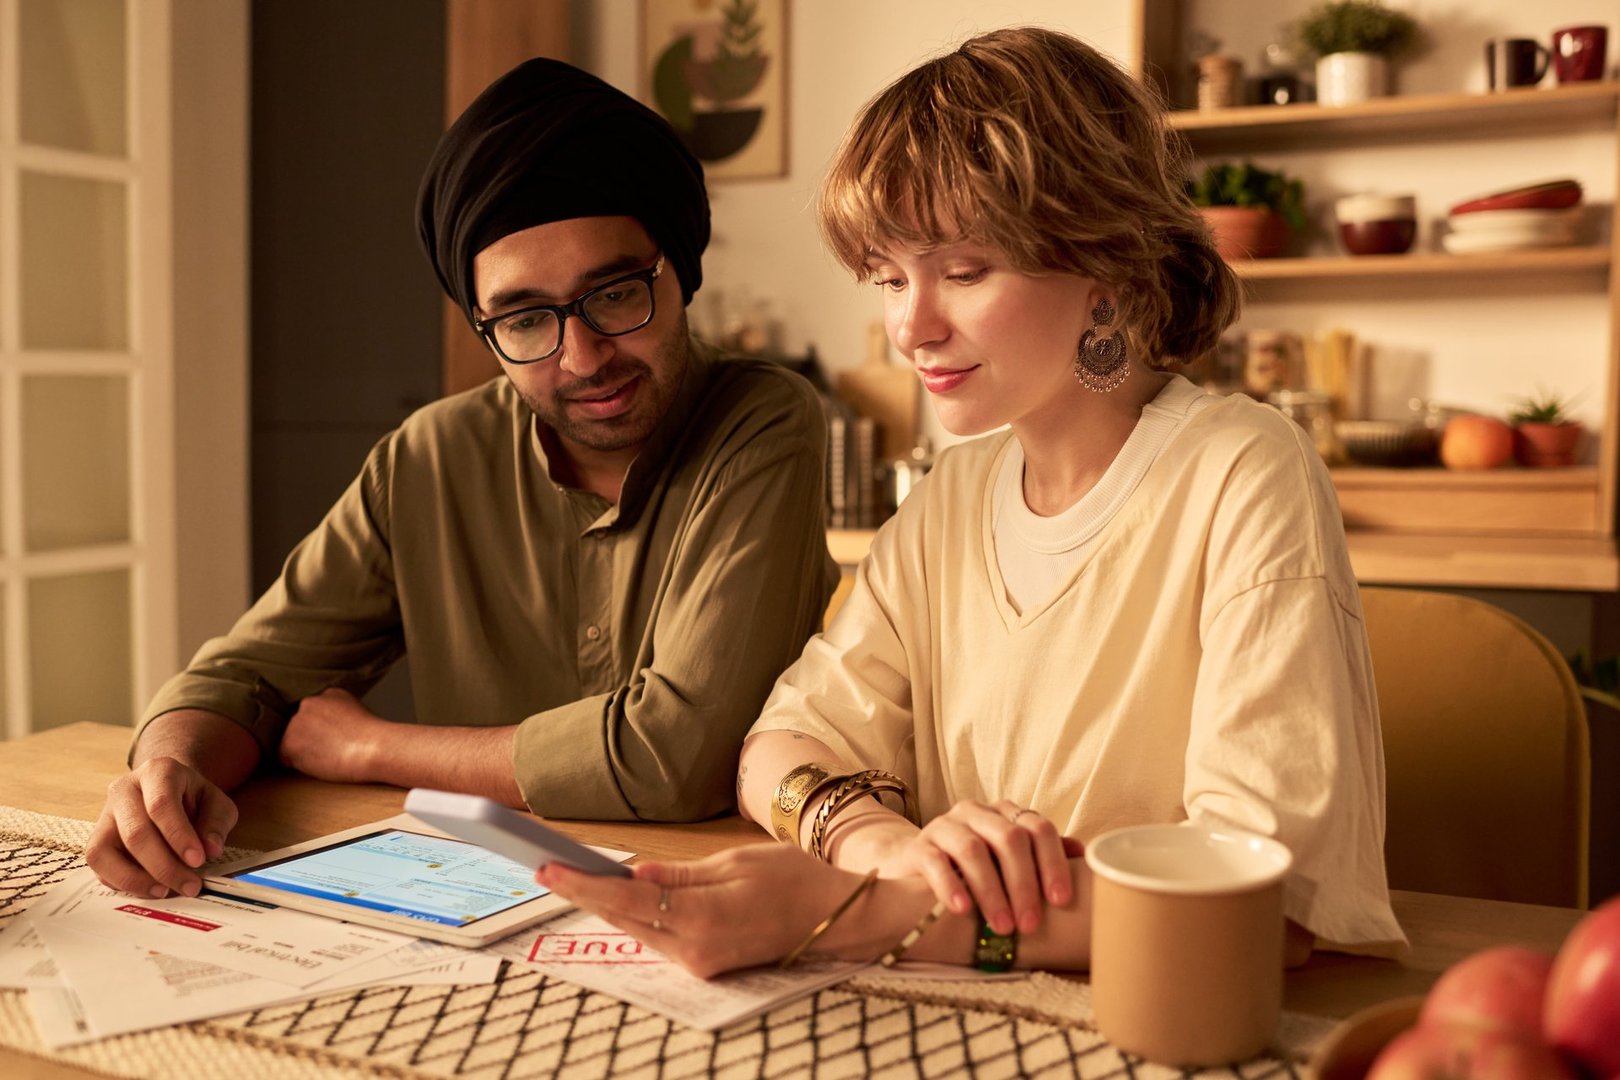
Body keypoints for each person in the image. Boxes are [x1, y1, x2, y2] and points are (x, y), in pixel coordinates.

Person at [543, 26, 1407, 978]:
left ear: (1109, 271)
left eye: (963, 272)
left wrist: (866, 914)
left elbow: (1262, 909)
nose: (912, 326)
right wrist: (884, 848)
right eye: (887, 277)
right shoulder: (949, 500)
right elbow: (778, 748)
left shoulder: (1244, 473)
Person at [86, 59, 838, 902]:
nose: (583, 358)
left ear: (679, 272)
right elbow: (249, 678)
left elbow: (677, 757)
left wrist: (376, 749)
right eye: (525, 320)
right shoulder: (427, 457)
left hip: (707, 910)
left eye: (616, 294)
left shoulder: (763, 420)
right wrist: (168, 770)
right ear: (485, 328)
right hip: (462, 908)